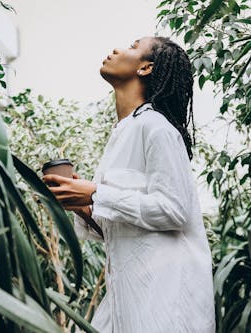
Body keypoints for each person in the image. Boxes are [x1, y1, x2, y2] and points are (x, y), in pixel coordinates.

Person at [42, 36, 216, 333]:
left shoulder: (156, 127)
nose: (116, 49)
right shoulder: (122, 134)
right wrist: (84, 206)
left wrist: (96, 193)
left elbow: (174, 210)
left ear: (146, 68)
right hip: (126, 297)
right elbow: (124, 225)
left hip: (164, 301)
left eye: (133, 46)